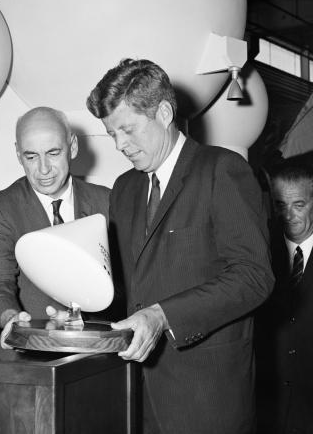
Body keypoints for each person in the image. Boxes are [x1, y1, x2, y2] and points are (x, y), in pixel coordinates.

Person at [86, 58, 274, 434]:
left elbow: (254, 277)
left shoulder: (222, 169)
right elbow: (128, 286)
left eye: (128, 129)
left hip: (206, 398)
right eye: (112, 134)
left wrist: (162, 316)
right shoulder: (124, 189)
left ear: (165, 112)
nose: (120, 145)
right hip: (136, 394)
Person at [0, 106, 110, 360]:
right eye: (31, 156)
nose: (43, 169)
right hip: (18, 363)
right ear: (18, 154)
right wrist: (10, 320)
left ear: (73, 147)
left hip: (86, 362)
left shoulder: (107, 202)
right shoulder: (0, 209)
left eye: (53, 153)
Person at [256, 164, 313, 434]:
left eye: (299, 205)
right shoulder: (259, 255)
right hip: (269, 406)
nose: (288, 215)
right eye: (280, 205)